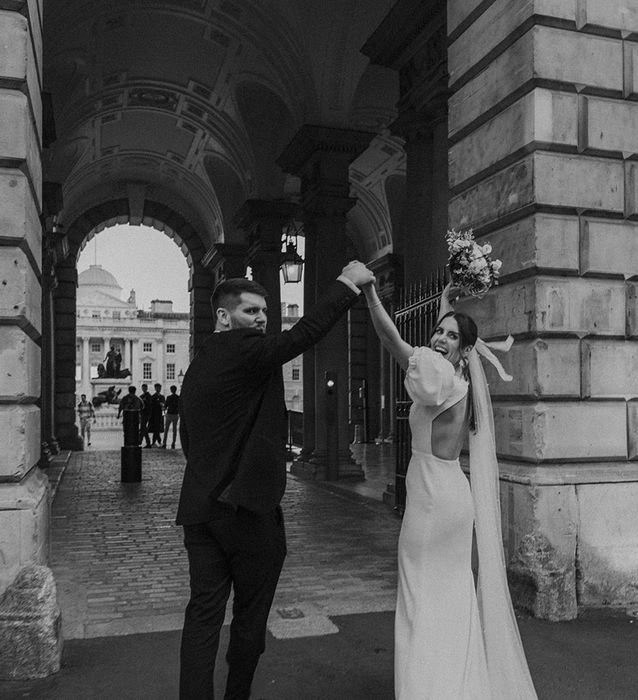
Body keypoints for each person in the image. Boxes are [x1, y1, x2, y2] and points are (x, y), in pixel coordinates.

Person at [176, 260, 375, 700]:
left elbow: (189, 438)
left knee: (203, 615)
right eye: (250, 312)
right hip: (246, 512)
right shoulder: (244, 350)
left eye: (264, 312)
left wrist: (213, 477)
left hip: (200, 511)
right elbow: (303, 335)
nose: (261, 320)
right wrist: (346, 283)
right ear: (224, 318)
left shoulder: (198, 365)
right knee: (249, 619)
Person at [362, 280, 538, 699]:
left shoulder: (438, 371)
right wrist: (445, 307)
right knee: (450, 593)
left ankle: (424, 689)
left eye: (452, 336)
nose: (440, 337)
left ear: (464, 350)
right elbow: (438, 350)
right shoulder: (460, 382)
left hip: (433, 500)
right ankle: (457, 684)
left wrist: (368, 290)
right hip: (451, 494)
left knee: (417, 592)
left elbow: (390, 338)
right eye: (439, 331)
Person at [162, 385, 180, 449]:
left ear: (171, 390)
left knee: (166, 430)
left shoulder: (169, 397)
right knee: (174, 430)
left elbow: (165, 407)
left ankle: (164, 443)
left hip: (169, 414)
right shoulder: (178, 397)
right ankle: (173, 443)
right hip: (175, 414)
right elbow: (179, 407)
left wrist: (163, 414)